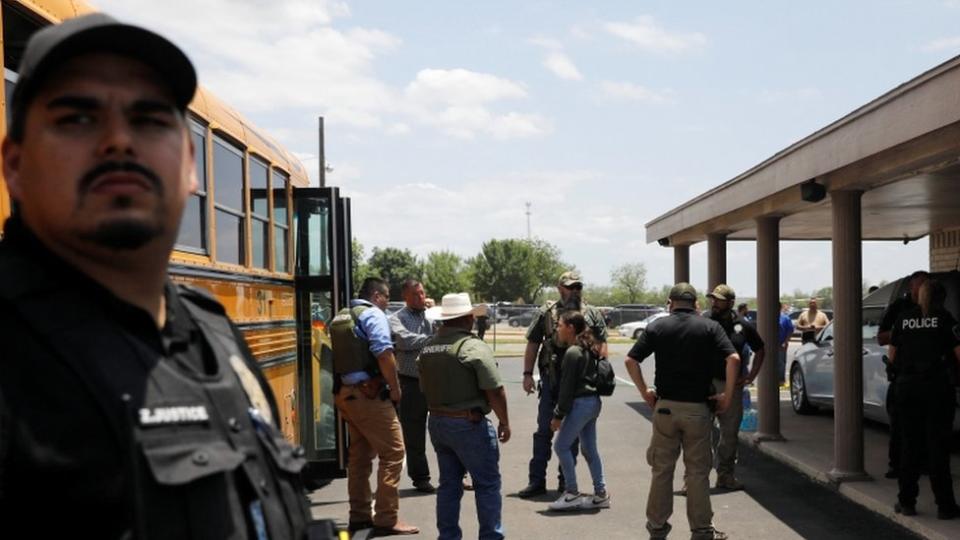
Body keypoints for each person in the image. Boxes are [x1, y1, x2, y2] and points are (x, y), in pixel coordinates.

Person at [0, 13, 319, 538]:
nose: (119, 141)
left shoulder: (213, 334)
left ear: (190, 166)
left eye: (150, 119)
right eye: (77, 118)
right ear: (14, 164)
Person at [624, 283, 739, 540]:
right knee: (697, 473)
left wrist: (644, 392)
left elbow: (631, 360)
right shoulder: (710, 327)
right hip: (698, 409)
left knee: (662, 470)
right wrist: (727, 396)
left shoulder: (657, 326)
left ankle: (657, 527)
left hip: (665, 408)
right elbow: (734, 359)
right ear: (695, 303)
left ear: (670, 302)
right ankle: (701, 530)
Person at [419, 293, 510, 540]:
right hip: (468, 423)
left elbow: (423, 387)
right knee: (487, 485)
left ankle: (447, 537)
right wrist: (504, 421)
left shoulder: (428, 347)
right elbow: (495, 390)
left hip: (437, 421)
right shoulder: (473, 346)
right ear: (468, 318)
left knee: (449, 484)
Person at [333, 277, 419, 535]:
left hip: (346, 394)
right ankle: (386, 517)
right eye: (386, 297)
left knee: (359, 458)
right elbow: (383, 352)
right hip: (369, 396)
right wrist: (394, 387)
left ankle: (359, 516)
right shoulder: (373, 315)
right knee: (394, 453)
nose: (386, 303)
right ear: (377, 296)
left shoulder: (343, 315)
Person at [518, 271, 608, 498]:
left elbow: (602, 347)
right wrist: (528, 374)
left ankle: (565, 485)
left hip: (579, 387)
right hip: (551, 381)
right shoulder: (547, 313)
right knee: (543, 432)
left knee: (572, 437)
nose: (575, 290)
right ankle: (536, 481)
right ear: (560, 288)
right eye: (571, 286)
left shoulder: (592, 314)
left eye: (578, 286)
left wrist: (597, 373)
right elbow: (533, 343)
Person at [887, 279, 960, 520]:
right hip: (937, 389)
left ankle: (906, 501)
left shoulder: (904, 318)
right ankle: (945, 506)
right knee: (938, 448)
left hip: (907, 388)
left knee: (910, 445)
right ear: (941, 298)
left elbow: (893, 354)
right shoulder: (945, 319)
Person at [548, 311, 609, 511]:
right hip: (592, 403)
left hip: (581, 405)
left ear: (570, 328)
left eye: (560, 325)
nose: (558, 328)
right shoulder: (589, 348)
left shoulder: (573, 352)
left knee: (561, 447)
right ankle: (601, 494)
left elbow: (566, 388)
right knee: (589, 449)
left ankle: (572, 493)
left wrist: (558, 415)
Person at [705, 285, 764, 491]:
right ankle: (695, 479)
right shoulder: (705, 321)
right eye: (712, 299)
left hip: (732, 385)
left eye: (719, 300)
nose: (714, 303)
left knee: (729, 434)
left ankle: (725, 476)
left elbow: (760, 348)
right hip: (705, 384)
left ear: (730, 302)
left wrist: (750, 376)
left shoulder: (742, 325)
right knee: (700, 433)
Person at [877, 270, 929, 479]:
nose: (926, 289)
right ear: (912, 287)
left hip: (930, 377)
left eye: (928, 284)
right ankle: (896, 465)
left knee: (927, 426)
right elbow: (882, 338)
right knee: (900, 426)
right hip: (903, 375)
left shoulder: (936, 309)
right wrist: (908, 330)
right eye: (922, 284)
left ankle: (925, 463)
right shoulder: (899, 309)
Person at [389, 279, 435, 493]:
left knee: (448, 429)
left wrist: (436, 320)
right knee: (414, 433)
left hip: (437, 382)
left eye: (422, 293)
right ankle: (421, 478)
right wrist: (433, 339)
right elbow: (404, 341)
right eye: (415, 294)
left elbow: (451, 331)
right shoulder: (397, 318)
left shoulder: (433, 315)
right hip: (411, 383)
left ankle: (457, 474)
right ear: (405, 297)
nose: (420, 298)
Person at [778, 303, 795, 386]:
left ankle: (781, 380)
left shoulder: (785, 318)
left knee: (781, 363)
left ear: (780, 307)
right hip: (770, 345)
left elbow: (790, 330)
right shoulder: (768, 316)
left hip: (781, 344)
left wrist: (786, 342)